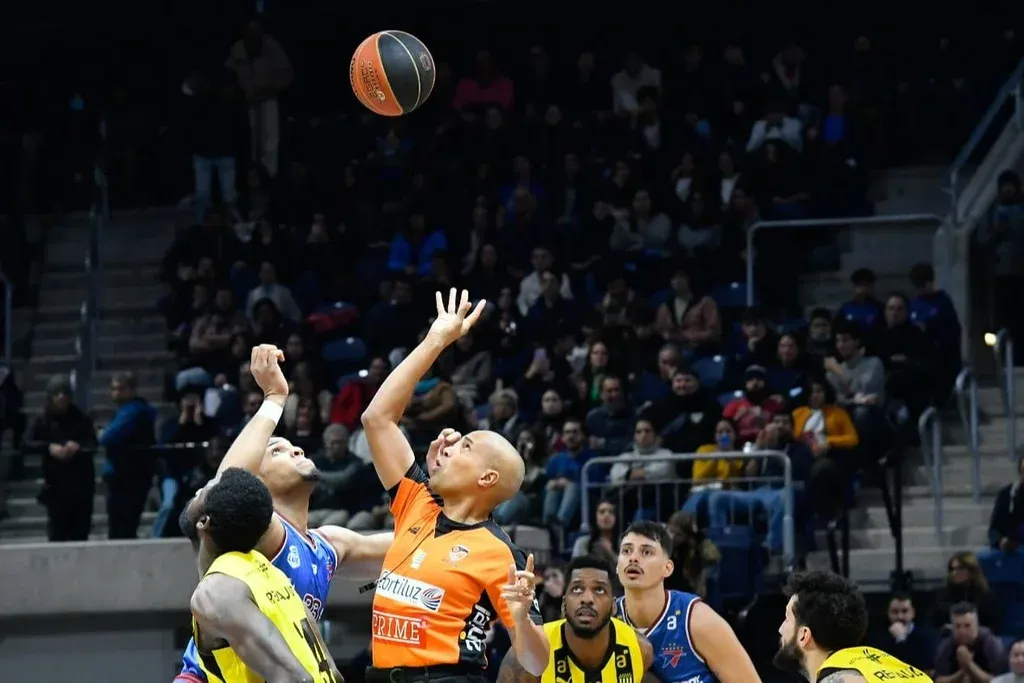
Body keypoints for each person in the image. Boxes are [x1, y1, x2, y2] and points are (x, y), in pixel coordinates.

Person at [360, 288, 550, 681]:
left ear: (487, 478)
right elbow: (376, 419)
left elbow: (535, 663)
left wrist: (521, 618)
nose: (448, 446)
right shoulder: (417, 501)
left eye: (465, 446)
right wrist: (437, 340)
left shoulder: (500, 552)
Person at [175, 344, 393, 683]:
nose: (296, 448)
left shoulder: (327, 544)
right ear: (255, 483)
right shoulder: (262, 531)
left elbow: (412, 547)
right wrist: (275, 398)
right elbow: (223, 490)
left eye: (293, 445)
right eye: (277, 450)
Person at [181, 466, 342, 683]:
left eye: (202, 492)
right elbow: (334, 674)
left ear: (204, 522)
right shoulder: (274, 575)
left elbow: (293, 679)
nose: (197, 490)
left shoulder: (215, 591)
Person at [615, 521, 760, 683]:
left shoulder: (698, 620)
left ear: (667, 568)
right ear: (617, 567)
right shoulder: (606, 621)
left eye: (646, 552)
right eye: (626, 551)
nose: (633, 558)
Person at [496, 554, 657, 683]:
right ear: (564, 604)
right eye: (577, 589)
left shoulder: (640, 649)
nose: (587, 599)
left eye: (599, 590)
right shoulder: (528, 658)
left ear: (614, 606)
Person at [774, 569, 931, 682]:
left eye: (787, 619)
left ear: (804, 635)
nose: (780, 629)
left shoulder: (839, 679)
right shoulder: (885, 665)